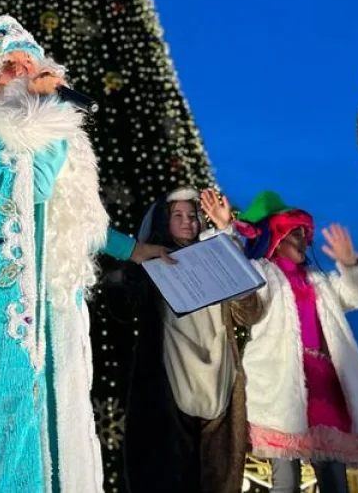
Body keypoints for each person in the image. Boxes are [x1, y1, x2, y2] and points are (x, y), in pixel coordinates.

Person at [0, 8, 149, 493]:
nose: (24, 73)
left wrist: (136, 250)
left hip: (51, 309)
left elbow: (78, 218)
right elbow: (32, 188)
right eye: (10, 66)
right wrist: (52, 113)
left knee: (55, 432)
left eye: (29, 63)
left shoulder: (44, 140)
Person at [200, 189, 358, 493]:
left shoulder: (320, 282)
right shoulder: (263, 274)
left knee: (335, 481)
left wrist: (351, 265)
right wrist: (224, 230)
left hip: (325, 387)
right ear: (277, 238)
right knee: (286, 482)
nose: (303, 239)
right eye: (295, 232)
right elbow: (236, 279)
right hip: (281, 386)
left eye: (304, 234)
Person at [108, 187, 256, 493]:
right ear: (164, 220)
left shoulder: (216, 256)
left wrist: (226, 233)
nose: (188, 222)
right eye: (178, 215)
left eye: (192, 215)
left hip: (219, 380)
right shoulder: (152, 262)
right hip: (171, 378)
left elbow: (249, 312)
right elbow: (122, 307)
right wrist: (130, 266)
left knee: (216, 478)